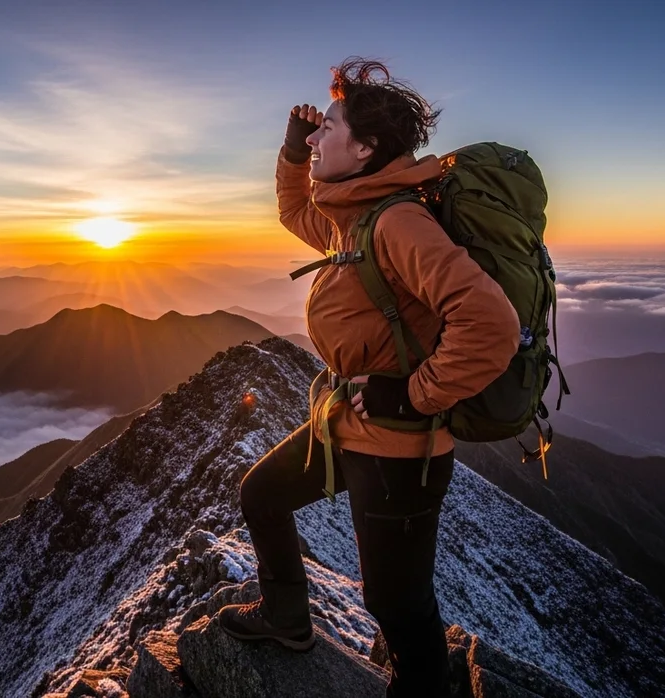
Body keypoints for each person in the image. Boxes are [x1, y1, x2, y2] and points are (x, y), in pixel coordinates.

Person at [216, 57, 520, 697]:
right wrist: (293, 151)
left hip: (397, 450)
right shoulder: (355, 216)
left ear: (365, 148)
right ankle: (287, 619)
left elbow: (491, 322)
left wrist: (413, 395)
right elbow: (296, 213)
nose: (318, 134)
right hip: (346, 426)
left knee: (396, 600)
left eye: (328, 127)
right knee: (262, 494)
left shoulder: (397, 223)